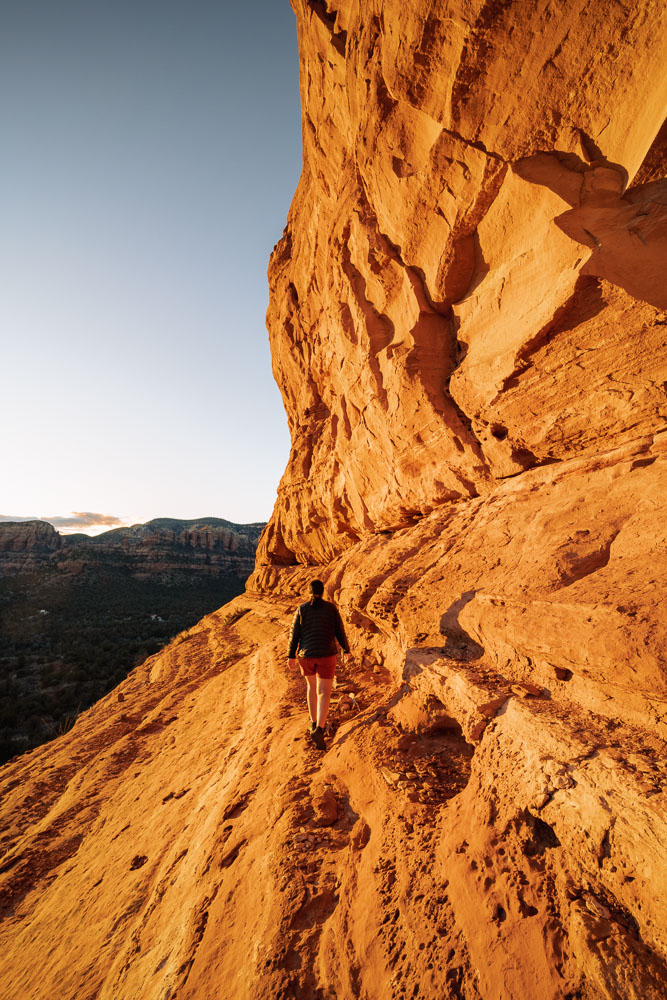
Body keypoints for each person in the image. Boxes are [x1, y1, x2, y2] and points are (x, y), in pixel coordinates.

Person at [287, 579, 350, 750]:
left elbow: (294, 634)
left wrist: (290, 655)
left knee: (311, 687)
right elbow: (339, 630)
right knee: (324, 692)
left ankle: (313, 722)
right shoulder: (331, 608)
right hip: (326, 656)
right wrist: (346, 649)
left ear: (308, 592)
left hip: (305, 656)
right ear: (323, 592)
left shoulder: (301, 609)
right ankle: (320, 729)